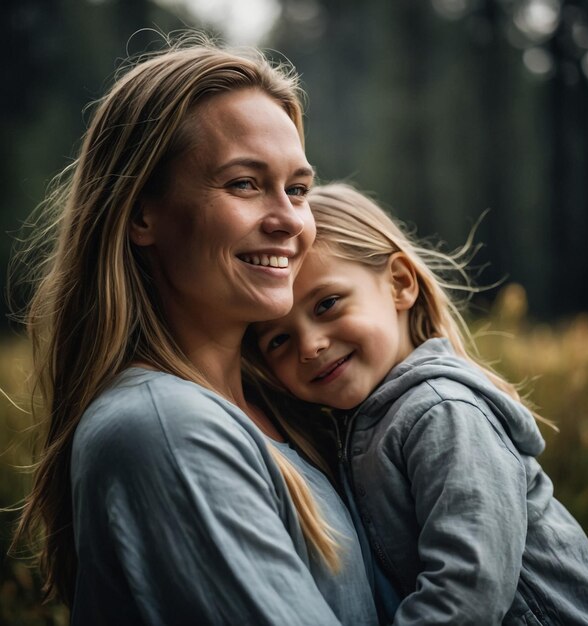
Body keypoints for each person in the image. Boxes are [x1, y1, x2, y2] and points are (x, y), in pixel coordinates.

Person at [11, 37, 378, 625]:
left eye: (299, 189)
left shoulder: (291, 400)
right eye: (244, 184)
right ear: (139, 214)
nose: (289, 220)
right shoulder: (164, 429)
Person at [248, 182, 588, 625]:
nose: (309, 346)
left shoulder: (442, 412)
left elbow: (469, 587)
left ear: (399, 284)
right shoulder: (359, 427)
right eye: (279, 340)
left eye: (327, 304)